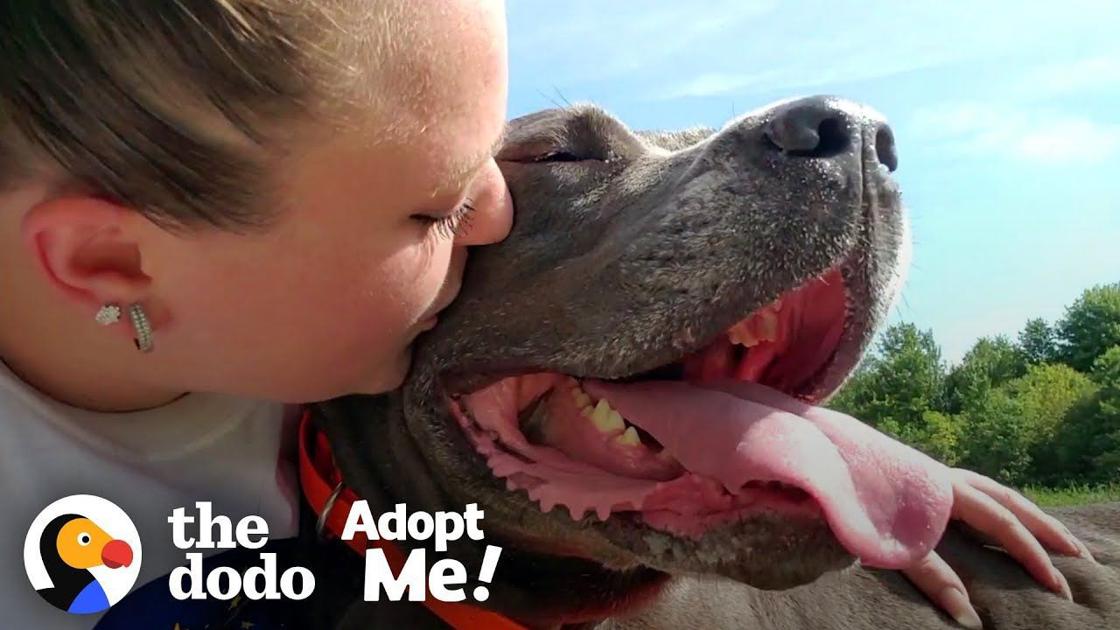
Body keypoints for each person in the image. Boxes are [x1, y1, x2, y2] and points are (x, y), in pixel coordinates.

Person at [0, 2, 1088, 629]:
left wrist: (827, 458)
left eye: (499, 162)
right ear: (114, 266)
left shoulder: (287, 329)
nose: (490, 220)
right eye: (433, 206)